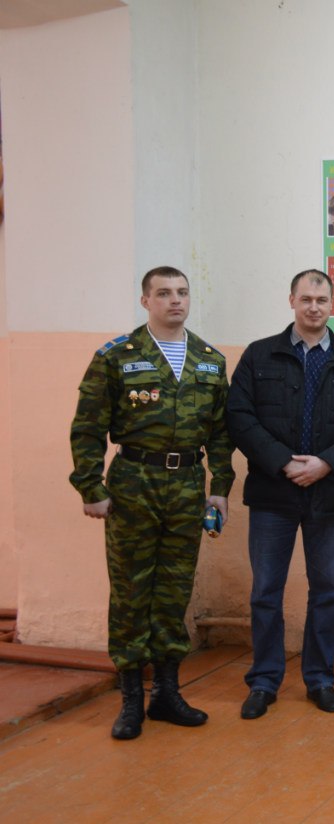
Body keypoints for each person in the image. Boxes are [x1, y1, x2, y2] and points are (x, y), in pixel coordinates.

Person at [69, 265, 234, 740]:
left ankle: (166, 693)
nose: (175, 301)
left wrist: (219, 486)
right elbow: (86, 427)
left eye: (182, 292)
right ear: (146, 301)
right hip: (132, 484)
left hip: (186, 485)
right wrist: (91, 488)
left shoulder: (208, 360)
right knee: (130, 592)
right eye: (164, 293)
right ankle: (130, 701)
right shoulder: (118, 357)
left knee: (173, 591)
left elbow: (221, 434)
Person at [227, 269, 334, 718]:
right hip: (274, 491)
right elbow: (240, 417)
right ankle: (264, 681)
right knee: (266, 591)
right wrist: (284, 462)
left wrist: (327, 463)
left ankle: (319, 679)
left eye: (323, 300)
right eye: (306, 298)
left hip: (329, 494)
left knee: (327, 589)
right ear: (291, 300)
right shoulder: (259, 356)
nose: (314, 307)